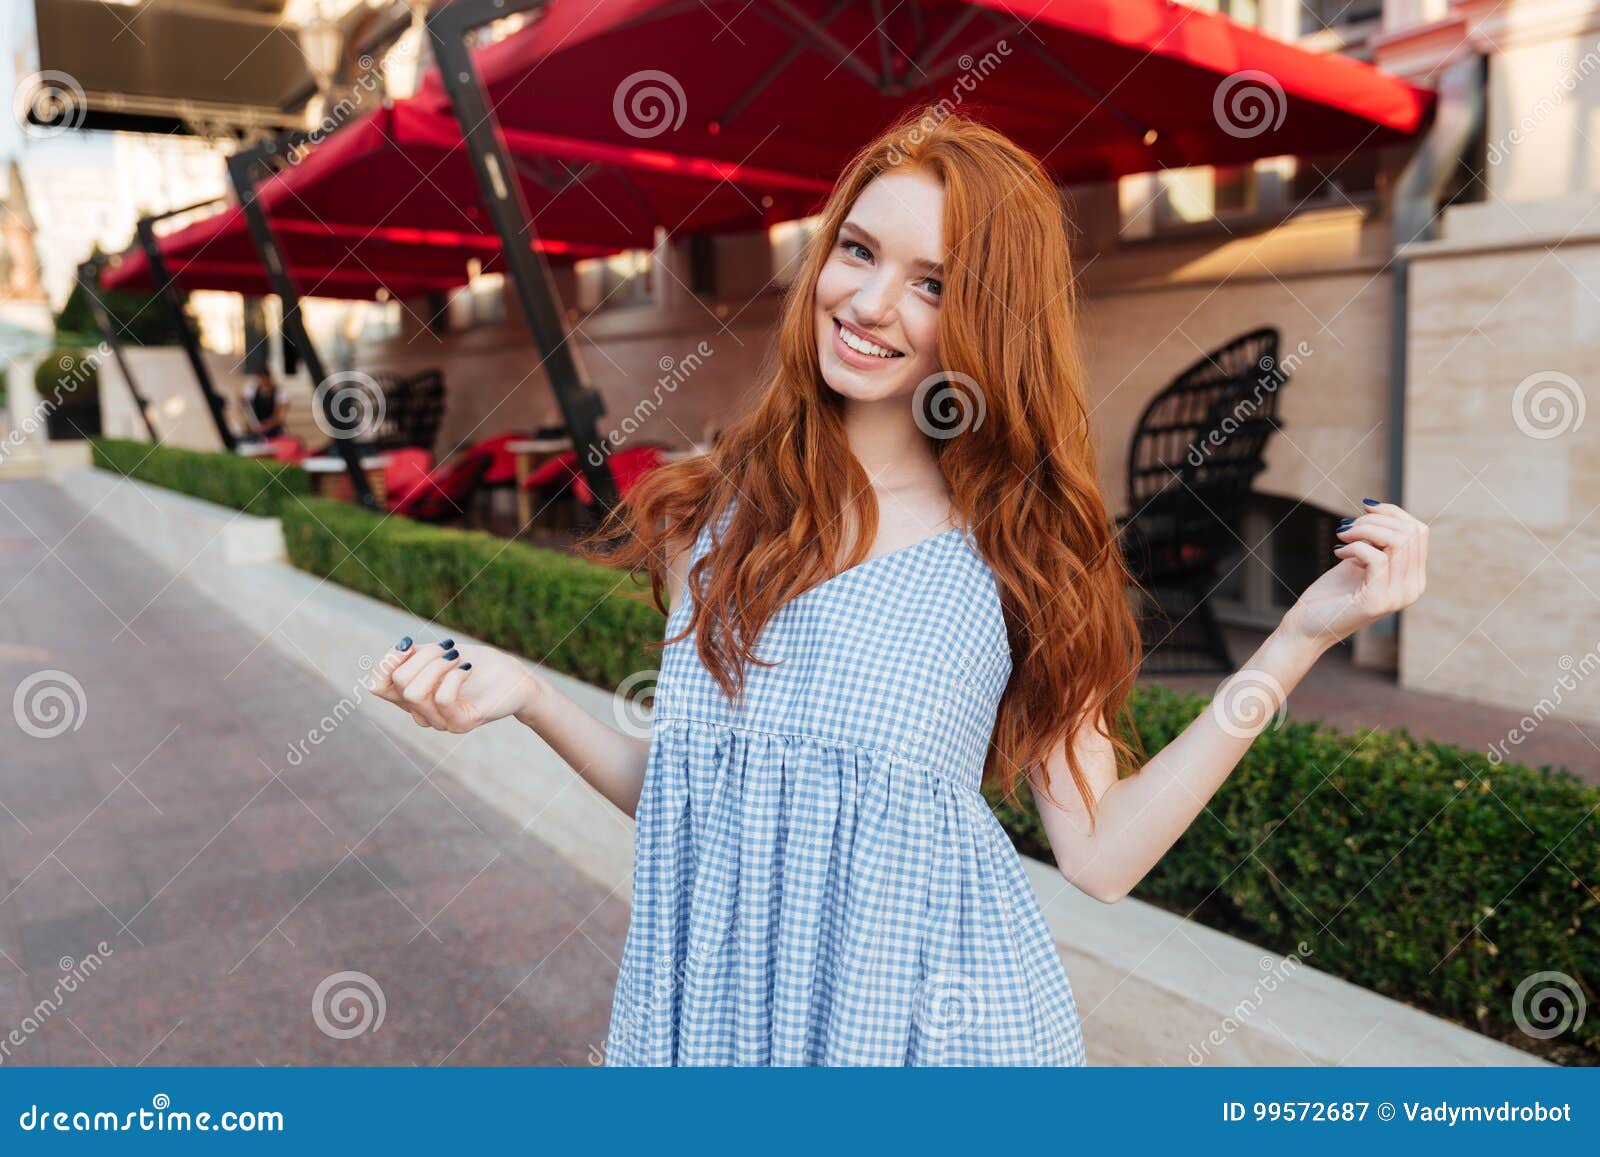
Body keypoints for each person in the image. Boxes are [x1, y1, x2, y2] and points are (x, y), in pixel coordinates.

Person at [367, 108, 1429, 1066]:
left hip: (925, 1039)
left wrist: (1295, 638)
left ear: (988, 317)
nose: (869, 302)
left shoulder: (1019, 550)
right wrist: (529, 695)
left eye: (932, 282)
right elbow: (701, 795)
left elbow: (1100, 855)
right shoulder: (719, 509)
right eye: (858, 250)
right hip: (714, 1023)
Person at [240, 371, 288, 439]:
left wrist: (268, 425)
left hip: (273, 428)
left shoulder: (279, 392)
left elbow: (281, 416)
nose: (263, 381)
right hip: (255, 427)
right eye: (261, 378)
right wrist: (252, 424)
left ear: (270, 378)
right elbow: (245, 409)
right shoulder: (252, 390)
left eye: (265, 378)